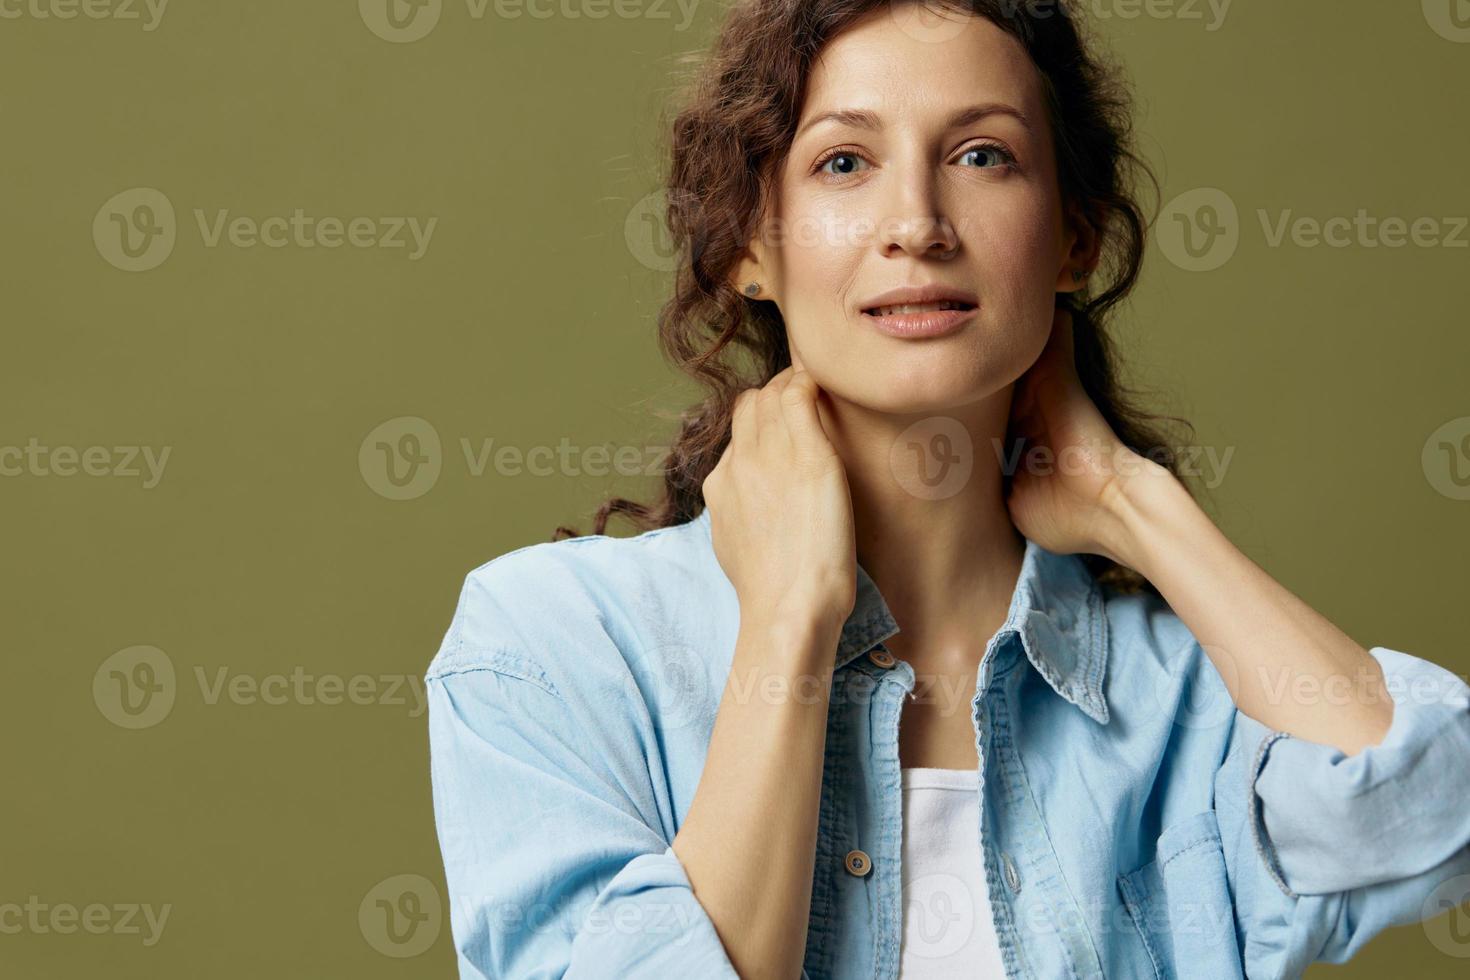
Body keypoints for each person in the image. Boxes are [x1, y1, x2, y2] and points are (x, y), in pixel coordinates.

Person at [425, 2, 1470, 977]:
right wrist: (789, 615)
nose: (917, 224)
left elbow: (1435, 809)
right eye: (844, 161)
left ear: (1074, 238)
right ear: (751, 244)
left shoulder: (1191, 694)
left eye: (982, 155)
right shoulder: (554, 646)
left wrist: (1127, 500)